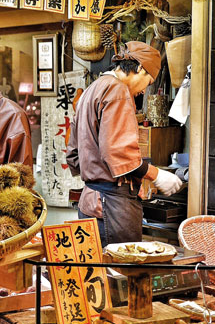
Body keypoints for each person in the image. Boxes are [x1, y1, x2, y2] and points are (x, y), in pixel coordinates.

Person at [67, 41, 183, 247]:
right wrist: (156, 175)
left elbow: (73, 154)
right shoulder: (117, 90)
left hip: (89, 202)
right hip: (111, 206)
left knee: (95, 273)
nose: (143, 90)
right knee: (119, 274)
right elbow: (117, 152)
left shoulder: (91, 90)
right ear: (139, 68)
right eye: (148, 81)